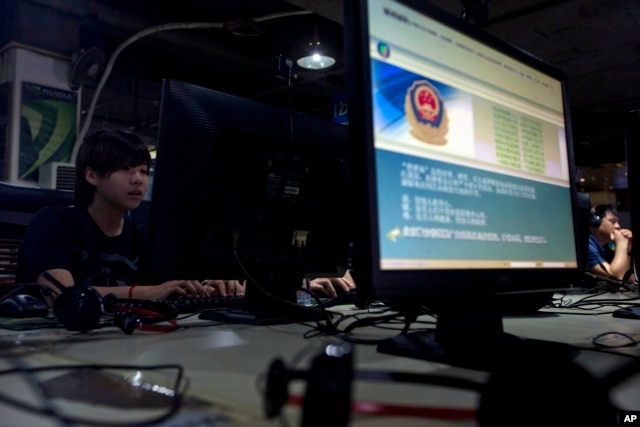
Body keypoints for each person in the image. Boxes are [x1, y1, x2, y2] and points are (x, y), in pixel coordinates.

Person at [17, 129, 244, 302]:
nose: (138, 179)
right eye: (126, 168)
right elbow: (59, 295)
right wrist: (141, 292)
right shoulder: (54, 223)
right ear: (92, 176)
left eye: (144, 171)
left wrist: (206, 285)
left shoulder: (142, 236)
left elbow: (165, 286)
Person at [588, 204, 635, 282]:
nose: (618, 226)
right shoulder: (588, 245)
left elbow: (630, 279)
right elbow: (615, 276)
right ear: (595, 222)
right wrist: (622, 243)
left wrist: (629, 249)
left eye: (617, 222)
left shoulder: (608, 245)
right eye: (613, 221)